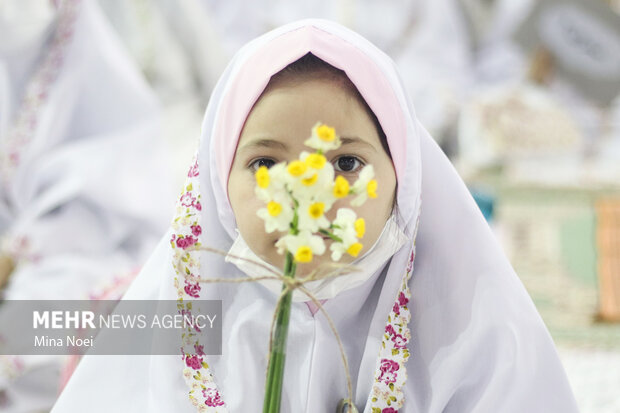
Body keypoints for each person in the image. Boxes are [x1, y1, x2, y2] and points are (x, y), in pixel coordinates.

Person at [51, 19, 579, 412]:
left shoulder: (468, 325)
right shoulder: (183, 310)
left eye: (346, 164)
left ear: (405, 178)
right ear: (217, 182)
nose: (310, 198)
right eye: (265, 165)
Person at [0, 0, 175, 410]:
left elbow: (103, 203)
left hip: (72, 253)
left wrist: (12, 254)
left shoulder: (91, 67)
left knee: (50, 325)